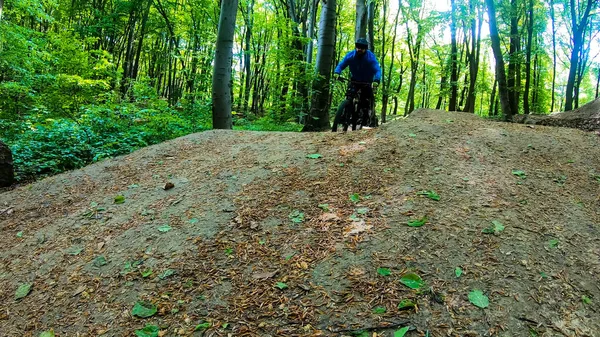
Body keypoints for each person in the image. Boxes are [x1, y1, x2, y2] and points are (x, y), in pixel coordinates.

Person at [332, 38, 381, 131]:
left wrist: (376, 80)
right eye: (358, 47)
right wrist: (337, 72)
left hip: (367, 82)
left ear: (365, 49)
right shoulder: (350, 55)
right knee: (349, 97)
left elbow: (377, 70)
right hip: (354, 80)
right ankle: (344, 116)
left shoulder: (370, 58)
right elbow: (341, 65)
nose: (359, 50)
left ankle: (364, 119)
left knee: (364, 102)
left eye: (362, 48)